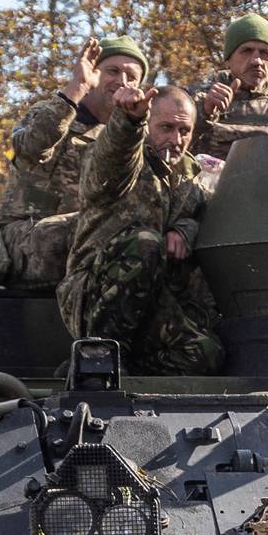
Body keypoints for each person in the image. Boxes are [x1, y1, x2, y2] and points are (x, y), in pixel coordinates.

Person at [57, 84, 223, 375]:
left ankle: (126, 371)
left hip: (150, 299)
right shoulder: (127, 162)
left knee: (205, 354)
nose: (176, 139)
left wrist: (185, 229)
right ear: (148, 126)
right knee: (145, 242)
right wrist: (128, 122)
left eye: (184, 131)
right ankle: (96, 355)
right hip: (96, 292)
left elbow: (204, 216)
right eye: (166, 127)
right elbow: (112, 161)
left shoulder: (190, 179)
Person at [0, 36, 148, 289]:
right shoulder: (54, 114)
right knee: (103, 228)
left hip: (89, 245)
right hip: (29, 242)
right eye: (113, 71)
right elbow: (32, 147)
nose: (122, 81)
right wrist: (77, 87)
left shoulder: (132, 135)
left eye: (132, 77)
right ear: (93, 73)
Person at [194, 13, 268, 160]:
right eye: (246, 51)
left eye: (265, 53)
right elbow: (174, 148)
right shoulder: (199, 101)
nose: (256, 61)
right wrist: (204, 113)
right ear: (228, 60)